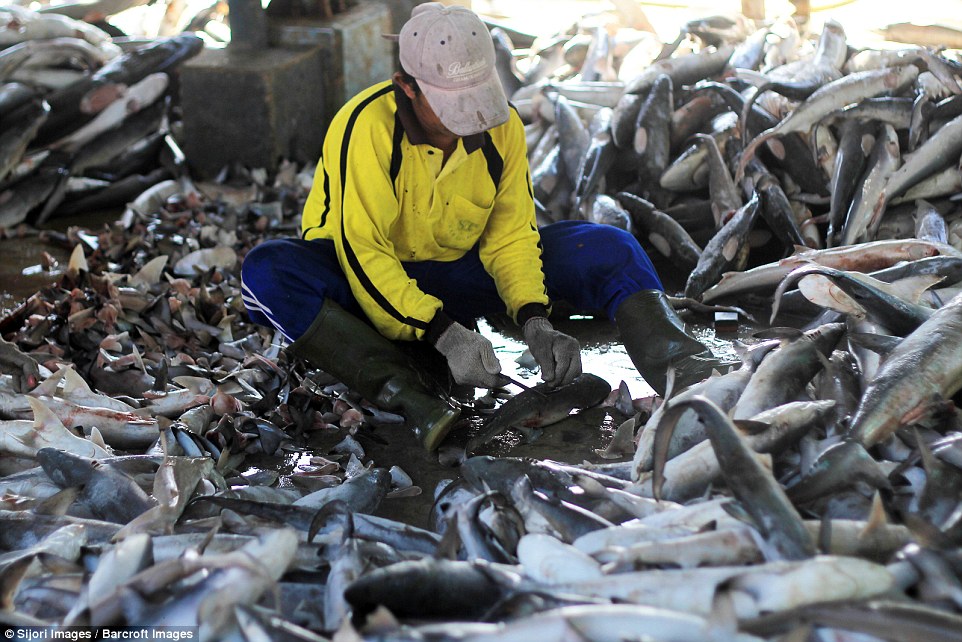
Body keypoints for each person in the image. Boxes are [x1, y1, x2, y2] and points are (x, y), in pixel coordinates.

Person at [241, 2, 730, 451]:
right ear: (406, 87)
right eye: (452, 101)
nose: (470, 117)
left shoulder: (502, 126)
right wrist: (445, 334)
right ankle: (413, 398)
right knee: (266, 271)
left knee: (609, 246)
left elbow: (511, 235)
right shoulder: (364, 127)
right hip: (361, 286)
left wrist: (535, 321)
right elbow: (365, 254)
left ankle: (681, 364)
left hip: (456, 272)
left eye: (477, 96)